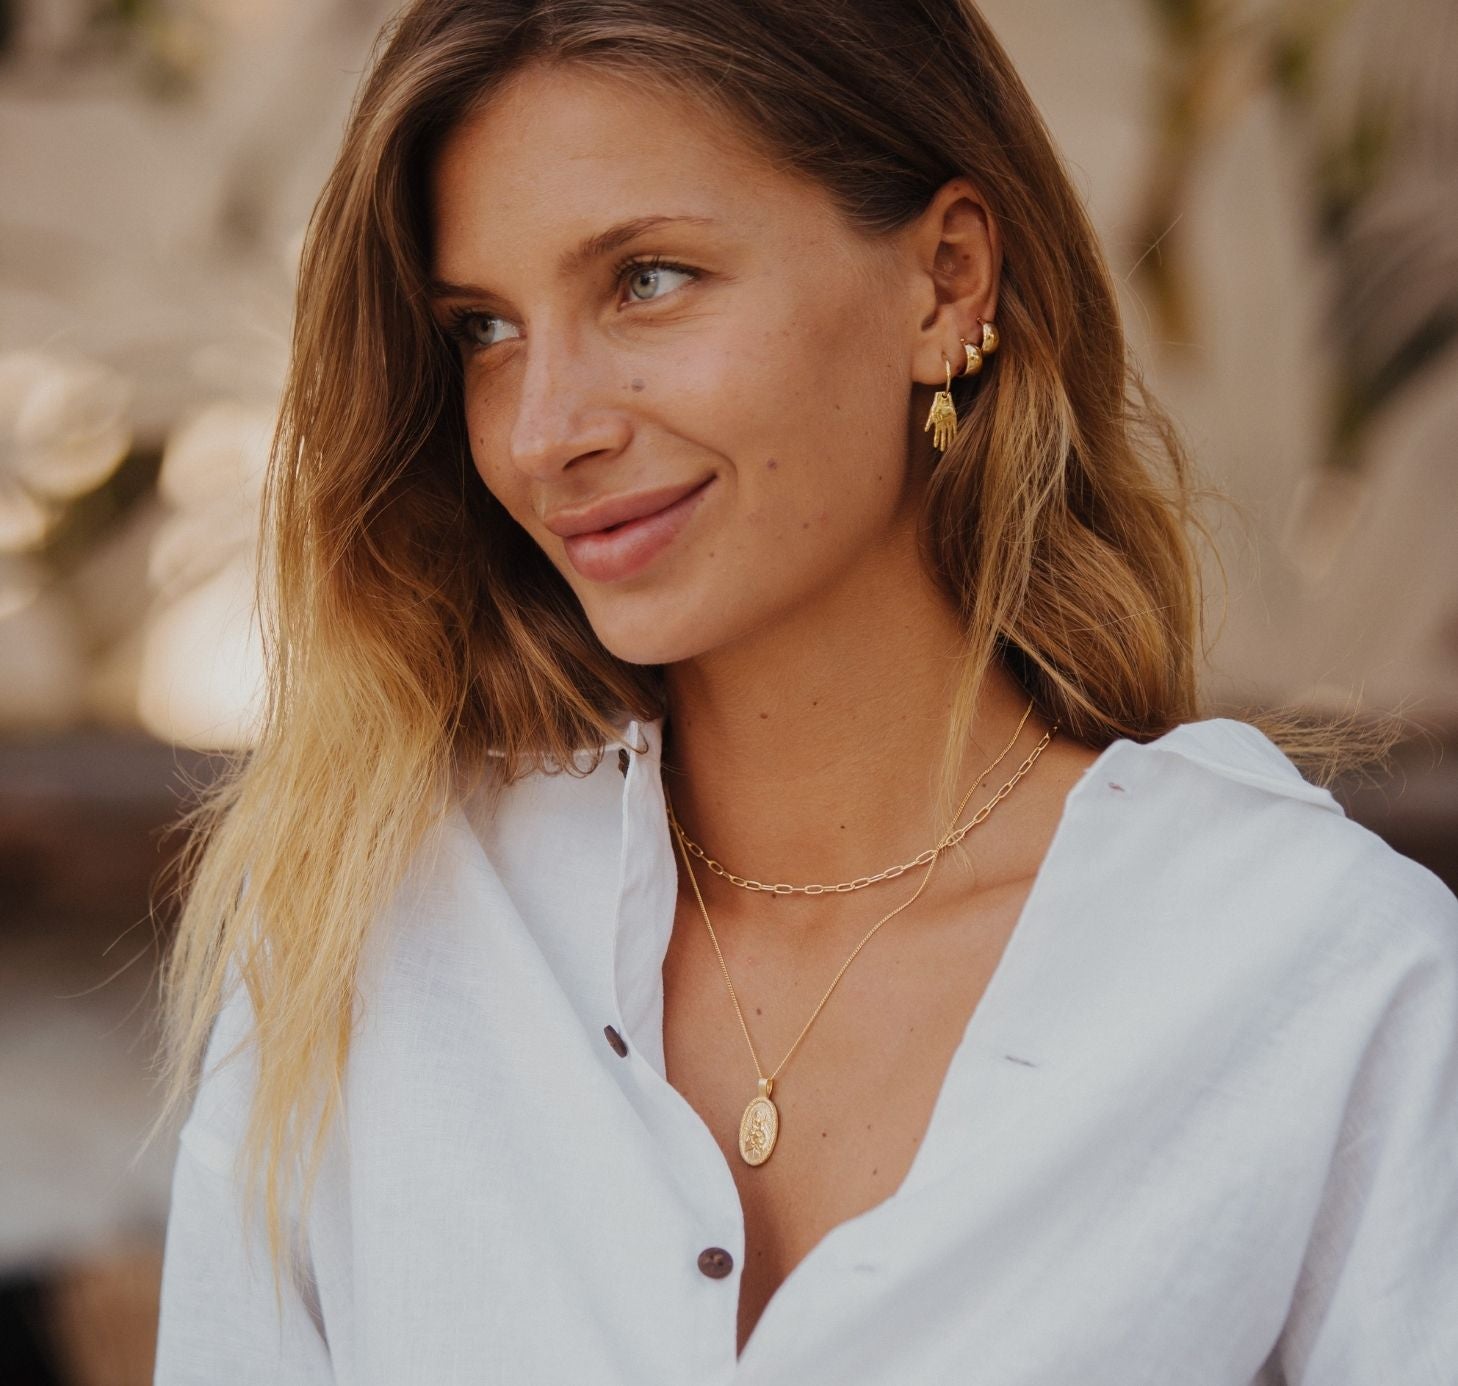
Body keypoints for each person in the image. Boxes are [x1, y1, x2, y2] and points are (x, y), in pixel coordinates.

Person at [147, 1, 1458, 1382]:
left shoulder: (1312, 979)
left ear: (944, 283)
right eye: (484, 328)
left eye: (647, 279)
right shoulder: (367, 942)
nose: (546, 432)